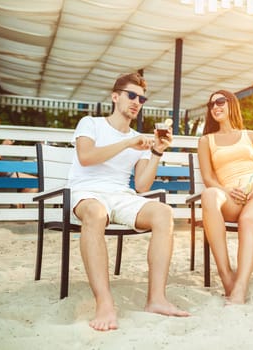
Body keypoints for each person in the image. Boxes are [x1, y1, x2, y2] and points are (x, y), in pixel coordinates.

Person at [68, 73, 189, 331]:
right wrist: (127, 143)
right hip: (87, 193)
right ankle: (105, 303)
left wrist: (156, 150)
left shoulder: (139, 139)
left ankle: (156, 299)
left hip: (121, 196)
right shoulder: (90, 123)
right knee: (97, 214)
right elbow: (86, 157)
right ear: (115, 96)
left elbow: (142, 185)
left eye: (141, 98)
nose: (137, 101)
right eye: (131, 95)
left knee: (163, 213)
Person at [197, 90, 253, 304]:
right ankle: (226, 278)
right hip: (229, 198)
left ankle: (240, 287)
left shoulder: (250, 135)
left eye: (220, 101)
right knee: (209, 195)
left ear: (231, 104)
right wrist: (225, 190)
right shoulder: (206, 140)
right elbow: (207, 177)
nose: (215, 107)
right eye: (211, 104)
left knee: (248, 220)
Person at [0, 114, 38, 200]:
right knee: (35, 183)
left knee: (34, 182)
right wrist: (3, 147)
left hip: (2, 172)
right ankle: (17, 205)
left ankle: (17, 205)